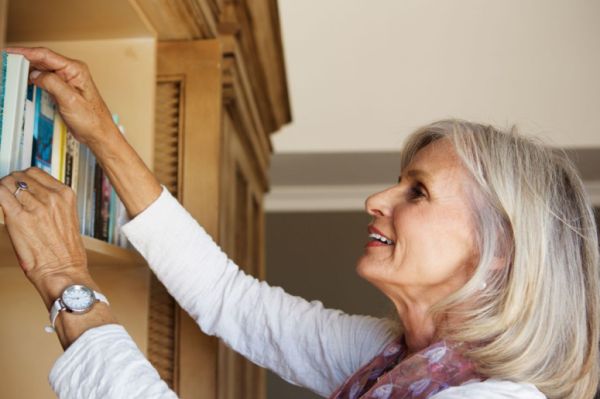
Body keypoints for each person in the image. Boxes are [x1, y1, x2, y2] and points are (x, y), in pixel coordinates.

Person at [0, 46, 597, 399]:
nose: (376, 199)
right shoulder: (393, 358)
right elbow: (231, 300)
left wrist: (62, 276)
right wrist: (101, 130)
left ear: (499, 250)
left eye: (418, 191)